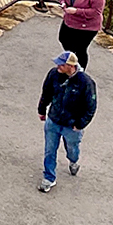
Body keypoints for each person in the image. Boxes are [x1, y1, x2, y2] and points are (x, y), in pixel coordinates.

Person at [37, 50, 97, 192]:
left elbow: (91, 106)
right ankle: (49, 178)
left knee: (72, 149)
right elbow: (46, 92)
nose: (58, 67)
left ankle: (73, 161)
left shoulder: (86, 83)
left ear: (71, 66)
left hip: (72, 125)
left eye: (61, 65)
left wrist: (80, 124)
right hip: (54, 120)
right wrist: (41, 110)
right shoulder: (54, 74)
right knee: (49, 150)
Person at [56, 0, 105, 69]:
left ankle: (79, 70)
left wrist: (76, 11)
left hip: (86, 26)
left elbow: (96, 12)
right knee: (63, 38)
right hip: (70, 19)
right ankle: (71, 62)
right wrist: (63, 3)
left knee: (80, 49)